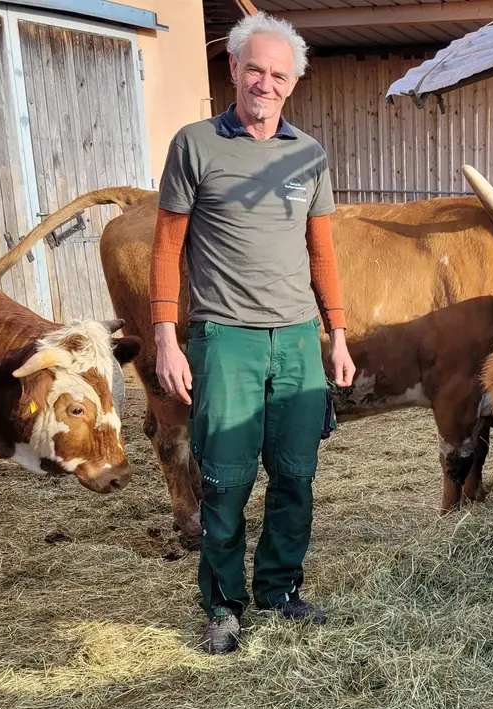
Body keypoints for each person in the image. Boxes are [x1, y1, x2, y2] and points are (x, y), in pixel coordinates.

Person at [149, 12, 355, 654]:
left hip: (296, 338)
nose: (266, 83)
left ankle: (280, 589)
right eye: (255, 69)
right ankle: (223, 603)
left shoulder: (308, 154)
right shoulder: (195, 145)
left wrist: (337, 335)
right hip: (226, 338)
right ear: (234, 69)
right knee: (227, 478)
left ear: (292, 84)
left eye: (279, 74)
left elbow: (321, 253)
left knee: (296, 473)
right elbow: (166, 247)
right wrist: (165, 336)